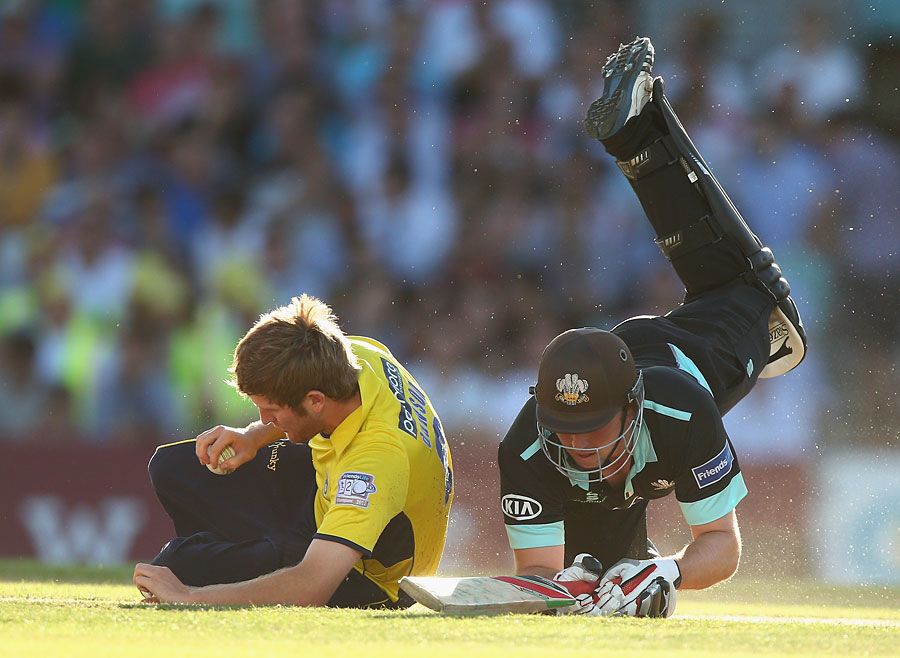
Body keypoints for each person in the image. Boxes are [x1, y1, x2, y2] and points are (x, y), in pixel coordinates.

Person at [498, 37, 807, 618]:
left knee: (765, 300)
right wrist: (575, 588)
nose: (580, 447)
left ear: (633, 406)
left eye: (593, 428)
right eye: (566, 429)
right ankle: (638, 125)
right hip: (619, 356)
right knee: (610, 586)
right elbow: (536, 575)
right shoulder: (528, 443)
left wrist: (672, 572)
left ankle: (636, 128)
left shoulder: (680, 408)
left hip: (694, 346)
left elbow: (722, 545)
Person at [134, 294, 453, 607]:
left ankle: (253, 553)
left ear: (315, 401)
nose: (262, 419)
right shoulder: (352, 355)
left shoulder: (375, 461)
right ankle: (245, 551)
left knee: (177, 564)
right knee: (171, 468)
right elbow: (301, 401)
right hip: (328, 489)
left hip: (368, 575)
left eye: (270, 408)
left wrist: (189, 596)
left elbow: (311, 586)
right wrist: (251, 437)